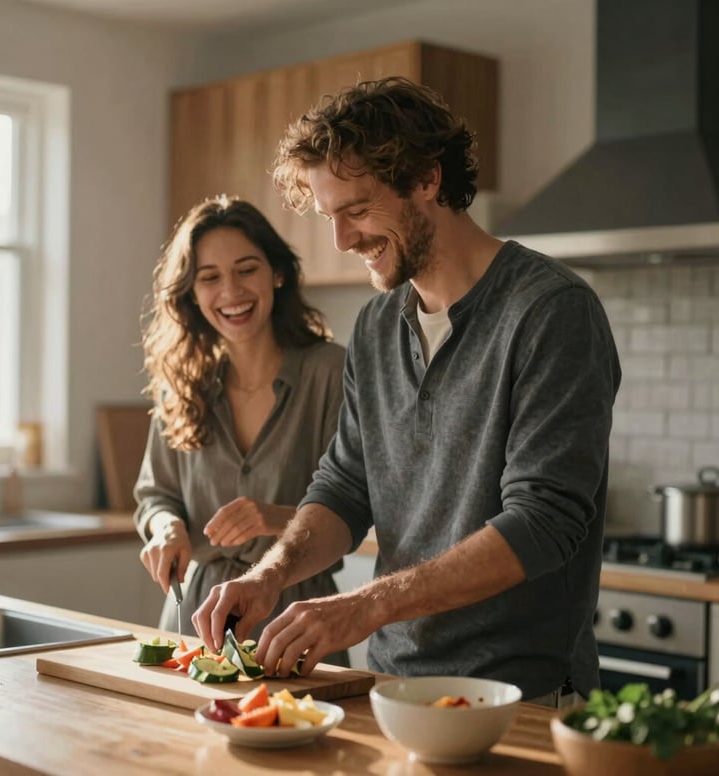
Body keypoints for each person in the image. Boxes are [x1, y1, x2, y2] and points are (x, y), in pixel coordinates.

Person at [191, 78, 621, 705]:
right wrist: (269, 576)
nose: (341, 240)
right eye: (327, 216)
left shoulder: (551, 312)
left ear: (426, 179)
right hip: (391, 685)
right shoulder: (376, 324)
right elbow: (345, 486)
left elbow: (544, 523)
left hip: (518, 696)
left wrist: (362, 606)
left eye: (358, 210)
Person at [134, 194, 349, 666]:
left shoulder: (332, 372)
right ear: (191, 294)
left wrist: (273, 517)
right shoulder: (183, 383)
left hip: (298, 619)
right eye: (209, 277)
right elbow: (156, 496)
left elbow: (360, 505)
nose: (230, 291)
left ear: (277, 273)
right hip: (194, 618)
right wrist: (166, 528)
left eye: (246, 269)